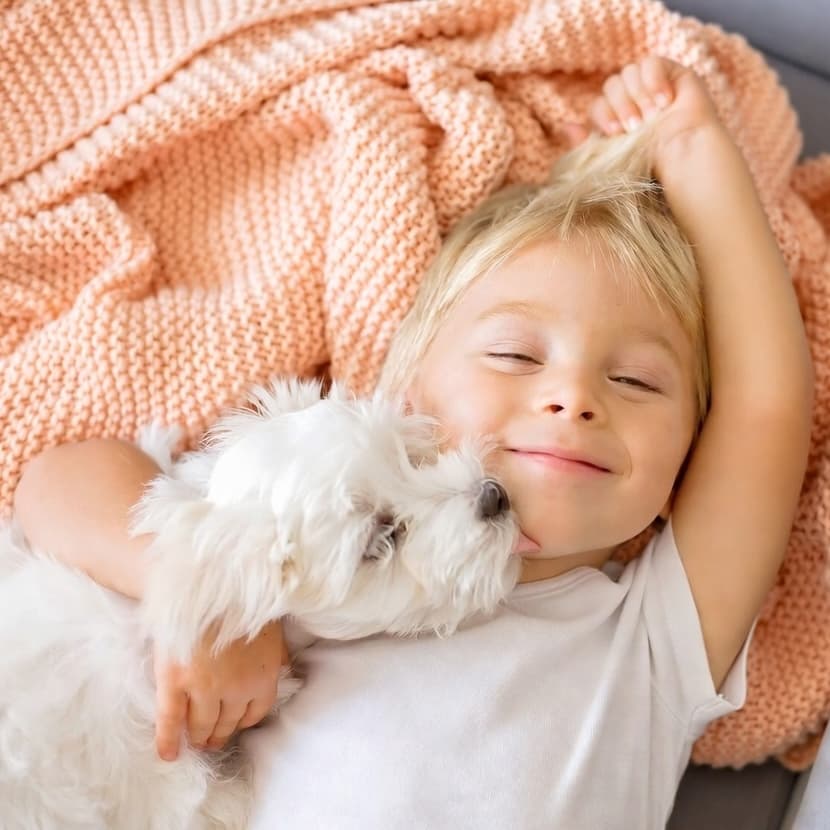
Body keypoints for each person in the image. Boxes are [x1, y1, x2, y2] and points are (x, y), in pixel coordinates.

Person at [12, 56, 812, 828]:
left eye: (637, 381)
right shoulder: (332, 519)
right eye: (516, 355)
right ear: (410, 393)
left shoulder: (655, 634)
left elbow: (765, 407)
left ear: (686, 460)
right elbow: (57, 481)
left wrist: (694, 149)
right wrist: (207, 601)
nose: (574, 399)